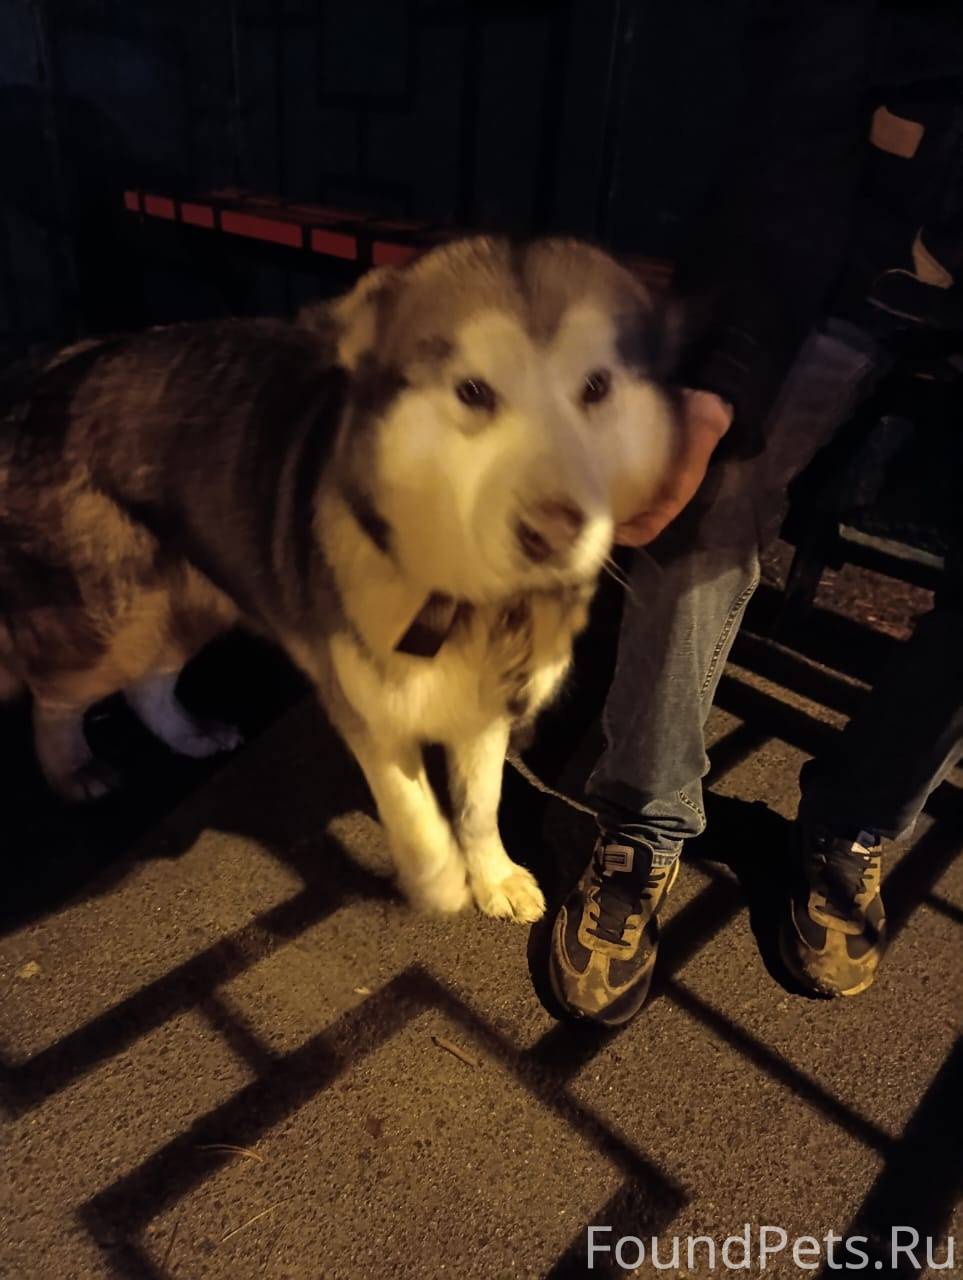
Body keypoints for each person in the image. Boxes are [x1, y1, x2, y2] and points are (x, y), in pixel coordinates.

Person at [546, 1, 963, 1024]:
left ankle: (856, 826)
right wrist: (720, 381)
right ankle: (642, 822)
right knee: (715, 487)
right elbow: (787, 165)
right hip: (842, 289)